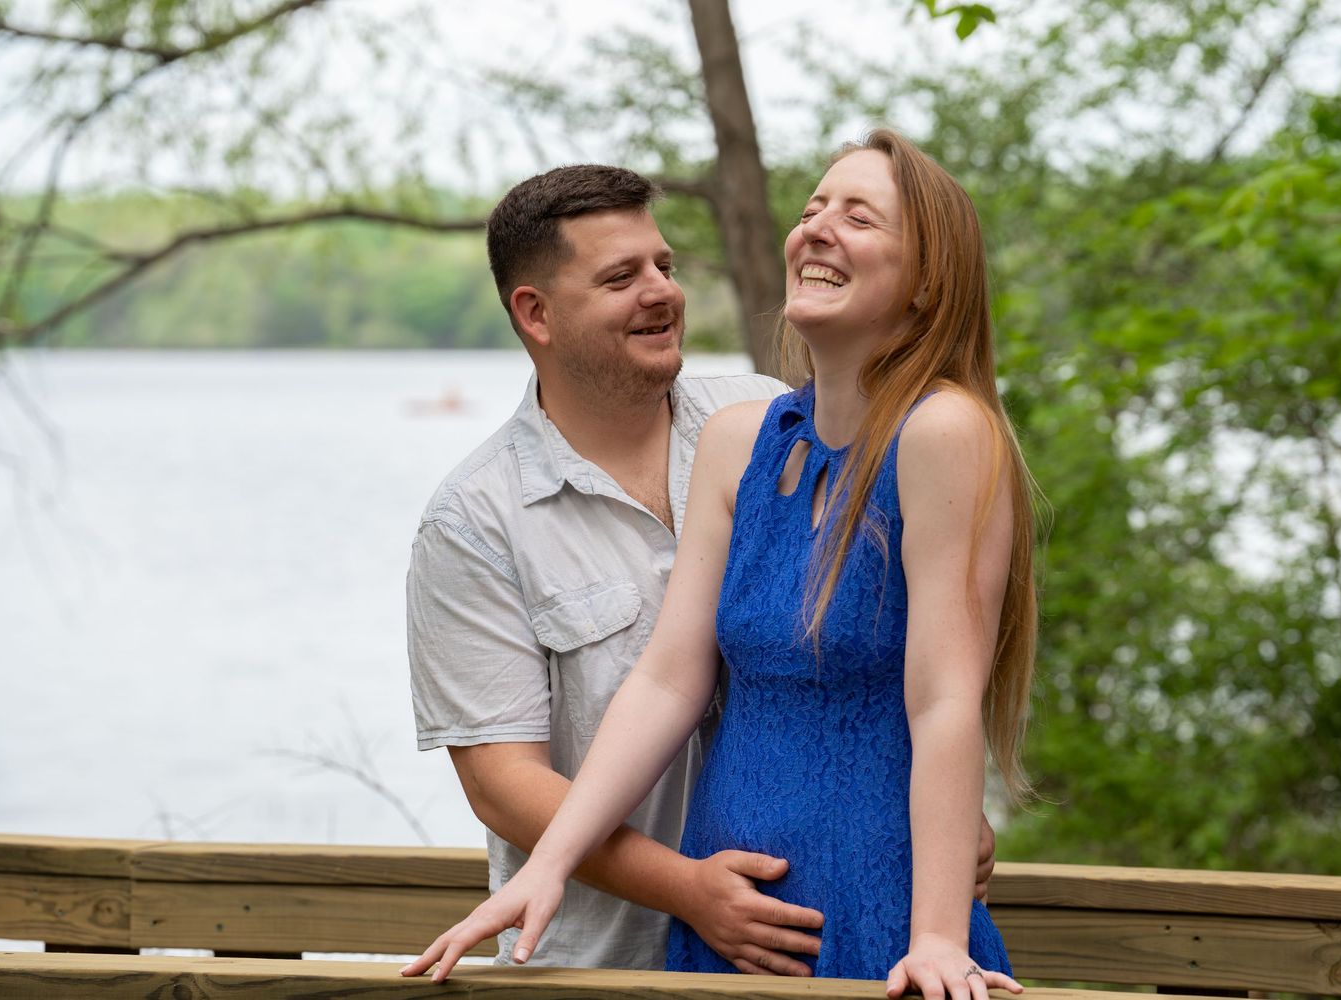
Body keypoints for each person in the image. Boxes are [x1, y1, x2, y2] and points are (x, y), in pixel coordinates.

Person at [403, 129, 1038, 999]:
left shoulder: (929, 431)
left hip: (869, 907)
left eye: (859, 216)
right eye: (813, 208)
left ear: (930, 279)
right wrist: (547, 870)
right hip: (684, 938)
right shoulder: (739, 441)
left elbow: (941, 700)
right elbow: (666, 681)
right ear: (534, 314)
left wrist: (935, 921)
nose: (662, 291)